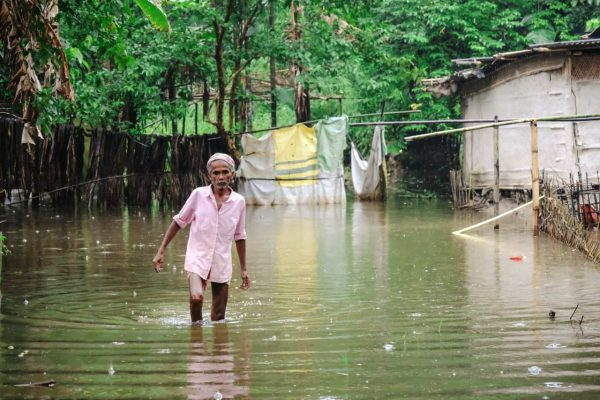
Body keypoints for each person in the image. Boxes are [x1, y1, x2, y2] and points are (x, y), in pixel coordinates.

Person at [152, 152, 250, 323]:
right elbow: (179, 222)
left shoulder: (239, 202)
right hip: (197, 257)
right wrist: (161, 250)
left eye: (225, 172)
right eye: (216, 173)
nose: (221, 176)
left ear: (232, 174)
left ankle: (217, 347)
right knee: (197, 298)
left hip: (221, 260)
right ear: (209, 176)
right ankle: (197, 341)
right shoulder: (198, 195)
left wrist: (243, 269)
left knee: (218, 318)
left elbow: (240, 236)